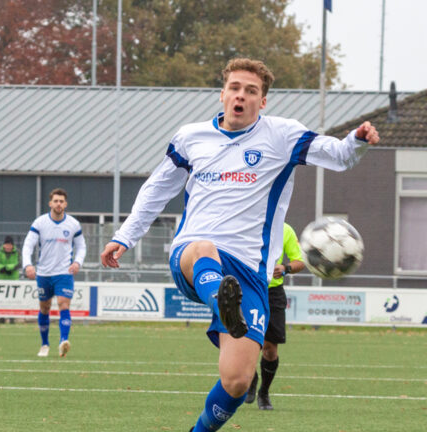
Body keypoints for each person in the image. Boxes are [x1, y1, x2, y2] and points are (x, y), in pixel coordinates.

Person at [99, 58, 379, 432]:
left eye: (251, 91)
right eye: (235, 88)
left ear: (263, 102)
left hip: (250, 273)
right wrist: (125, 236)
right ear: (222, 94)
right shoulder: (190, 138)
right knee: (203, 248)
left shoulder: (282, 136)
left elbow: (339, 155)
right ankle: (221, 300)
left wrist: (357, 140)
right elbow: (156, 190)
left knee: (237, 381)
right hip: (194, 257)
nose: (241, 96)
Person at [245, 222, 304, 410]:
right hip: (248, 290)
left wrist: (286, 268)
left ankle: (264, 392)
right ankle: (251, 378)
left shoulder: (285, 229)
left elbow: (300, 261)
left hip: (273, 293)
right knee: (244, 342)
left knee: (270, 348)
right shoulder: (247, 225)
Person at [22, 188, 86, 358]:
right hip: (43, 273)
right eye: (56, 201)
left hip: (64, 272)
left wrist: (78, 262)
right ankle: (44, 344)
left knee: (64, 304)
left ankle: (63, 341)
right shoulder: (40, 223)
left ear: (65, 204)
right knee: (45, 307)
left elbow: (81, 246)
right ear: (50, 203)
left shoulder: (73, 224)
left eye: (61, 201)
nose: (58, 204)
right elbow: (28, 245)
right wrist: (27, 265)